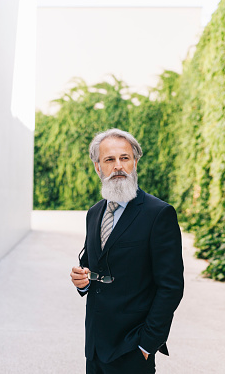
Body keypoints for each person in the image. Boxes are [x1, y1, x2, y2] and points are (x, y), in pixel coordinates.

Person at [70, 128, 184, 374]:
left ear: (135, 163)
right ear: (98, 168)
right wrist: (83, 282)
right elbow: (92, 266)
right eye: (109, 160)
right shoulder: (94, 213)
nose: (118, 166)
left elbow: (171, 286)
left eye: (125, 158)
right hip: (95, 345)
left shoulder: (159, 214)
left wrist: (147, 344)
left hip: (133, 347)